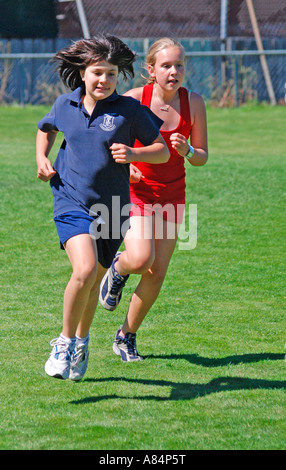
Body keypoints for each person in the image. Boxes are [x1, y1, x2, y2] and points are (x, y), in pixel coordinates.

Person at [36, 35, 169, 380]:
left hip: (112, 209)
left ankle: (81, 342)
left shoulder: (129, 110)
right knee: (84, 268)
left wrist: (135, 154)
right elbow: (46, 129)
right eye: (97, 72)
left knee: (94, 279)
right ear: (83, 73)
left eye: (111, 73)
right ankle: (64, 343)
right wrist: (41, 157)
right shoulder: (65, 104)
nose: (104, 80)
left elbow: (162, 149)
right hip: (70, 199)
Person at [99, 38, 208, 361]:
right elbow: (106, 140)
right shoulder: (135, 100)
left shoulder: (194, 103)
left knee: (156, 272)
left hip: (173, 195)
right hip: (137, 192)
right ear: (151, 70)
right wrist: (129, 164)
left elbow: (202, 156)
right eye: (166, 65)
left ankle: (125, 336)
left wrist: (188, 150)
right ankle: (118, 267)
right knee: (142, 258)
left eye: (179, 65)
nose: (174, 71)